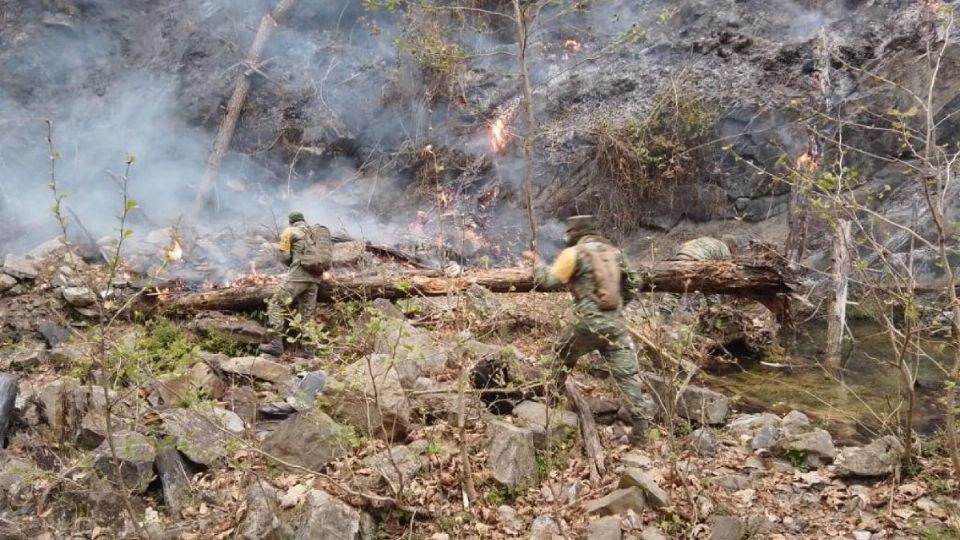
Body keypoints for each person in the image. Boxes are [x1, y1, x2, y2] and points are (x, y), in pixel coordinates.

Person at [523, 215, 651, 443]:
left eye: (569, 233)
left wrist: (537, 264)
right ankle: (641, 432)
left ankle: (548, 405)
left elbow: (549, 282)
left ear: (574, 233)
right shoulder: (614, 252)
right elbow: (635, 281)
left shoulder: (574, 254)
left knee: (560, 356)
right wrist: (620, 303)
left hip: (588, 323)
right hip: (615, 324)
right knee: (627, 376)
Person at [259, 212, 325, 356]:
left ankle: (276, 345)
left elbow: (284, 256)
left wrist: (293, 263)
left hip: (298, 277)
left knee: (275, 304)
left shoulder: (289, 231)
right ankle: (310, 353)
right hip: (315, 279)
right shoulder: (313, 233)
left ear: (291, 222)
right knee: (307, 316)